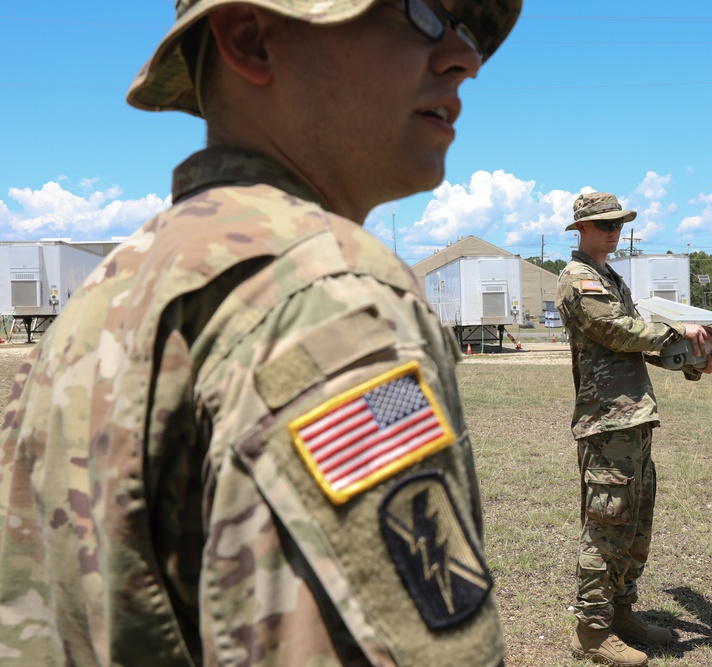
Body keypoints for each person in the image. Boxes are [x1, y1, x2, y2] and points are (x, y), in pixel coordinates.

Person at [0, 1, 520, 665]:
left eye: (467, 29)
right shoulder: (327, 298)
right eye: (415, 11)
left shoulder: (111, 291)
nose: (464, 58)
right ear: (251, 39)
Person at [557, 192, 712, 666]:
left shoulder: (609, 277)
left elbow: (638, 344)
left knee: (634, 523)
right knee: (605, 525)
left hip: (633, 417)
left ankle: (620, 614)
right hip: (606, 420)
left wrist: (695, 361)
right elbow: (616, 331)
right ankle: (592, 632)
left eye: (618, 223)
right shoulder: (579, 279)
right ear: (581, 230)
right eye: (603, 224)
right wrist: (679, 332)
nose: (613, 230)